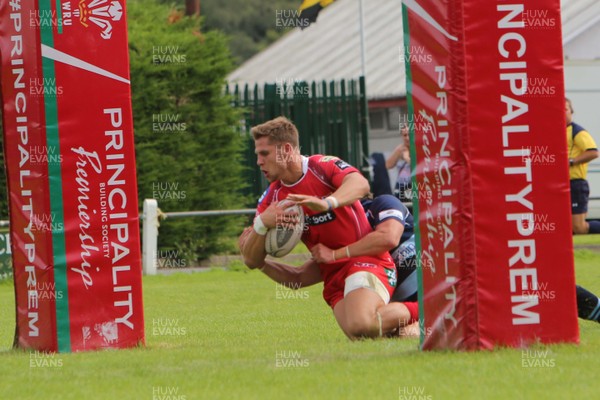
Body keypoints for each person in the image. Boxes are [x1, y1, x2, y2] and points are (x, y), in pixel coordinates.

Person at [238, 116, 418, 339]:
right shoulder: (271, 199)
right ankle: (409, 328)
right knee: (363, 336)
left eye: (264, 153)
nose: (258, 162)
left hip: (364, 261)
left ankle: (426, 310)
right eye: (257, 155)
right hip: (332, 275)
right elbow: (251, 260)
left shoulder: (320, 166)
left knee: (362, 323)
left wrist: (327, 203)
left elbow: (360, 184)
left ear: (286, 149)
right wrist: (262, 224)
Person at [311, 194, 417, 303]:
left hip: (424, 278)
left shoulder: (383, 202)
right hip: (401, 301)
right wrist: (295, 275)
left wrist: (334, 254)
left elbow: (389, 238)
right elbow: (326, 263)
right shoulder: (341, 229)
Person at [567, 98, 600, 234]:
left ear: (571, 112)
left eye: (565, 109)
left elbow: (593, 152)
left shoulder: (577, 131)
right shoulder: (552, 132)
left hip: (575, 183)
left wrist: (571, 161)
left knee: (579, 228)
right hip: (558, 185)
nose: (562, 112)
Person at [385, 124, 412, 202]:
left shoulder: (419, 148)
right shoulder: (401, 148)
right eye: (405, 135)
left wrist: (406, 158)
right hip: (401, 187)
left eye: (409, 135)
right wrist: (399, 151)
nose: (407, 138)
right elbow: (388, 165)